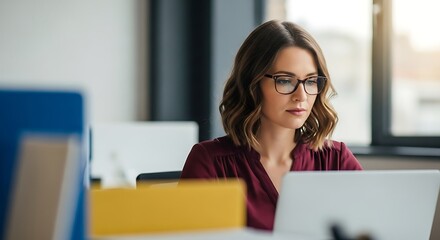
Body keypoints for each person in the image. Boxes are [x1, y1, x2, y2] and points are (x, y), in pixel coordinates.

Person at [180, 20, 363, 231]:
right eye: (285, 80)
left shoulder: (336, 159)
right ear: (253, 84)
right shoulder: (210, 162)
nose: (301, 96)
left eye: (311, 81)